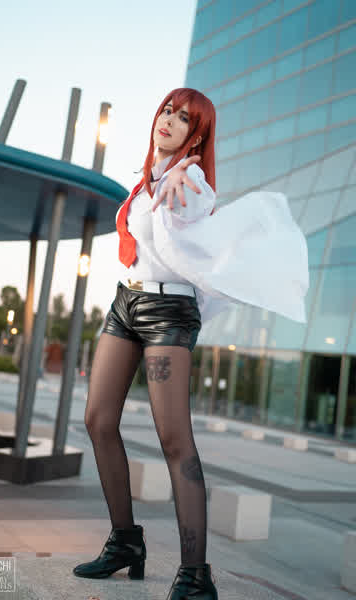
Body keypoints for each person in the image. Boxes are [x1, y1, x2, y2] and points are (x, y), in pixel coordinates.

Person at [73, 88, 309, 600]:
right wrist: (162, 178)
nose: (169, 121)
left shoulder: (191, 182)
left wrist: (185, 180)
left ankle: (196, 575)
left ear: (196, 137)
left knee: (174, 439)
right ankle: (125, 542)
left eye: (183, 118)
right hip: (126, 302)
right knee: (97, 419)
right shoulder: (146, 182)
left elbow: (190, 213)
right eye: (167, 111)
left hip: (168, 312)